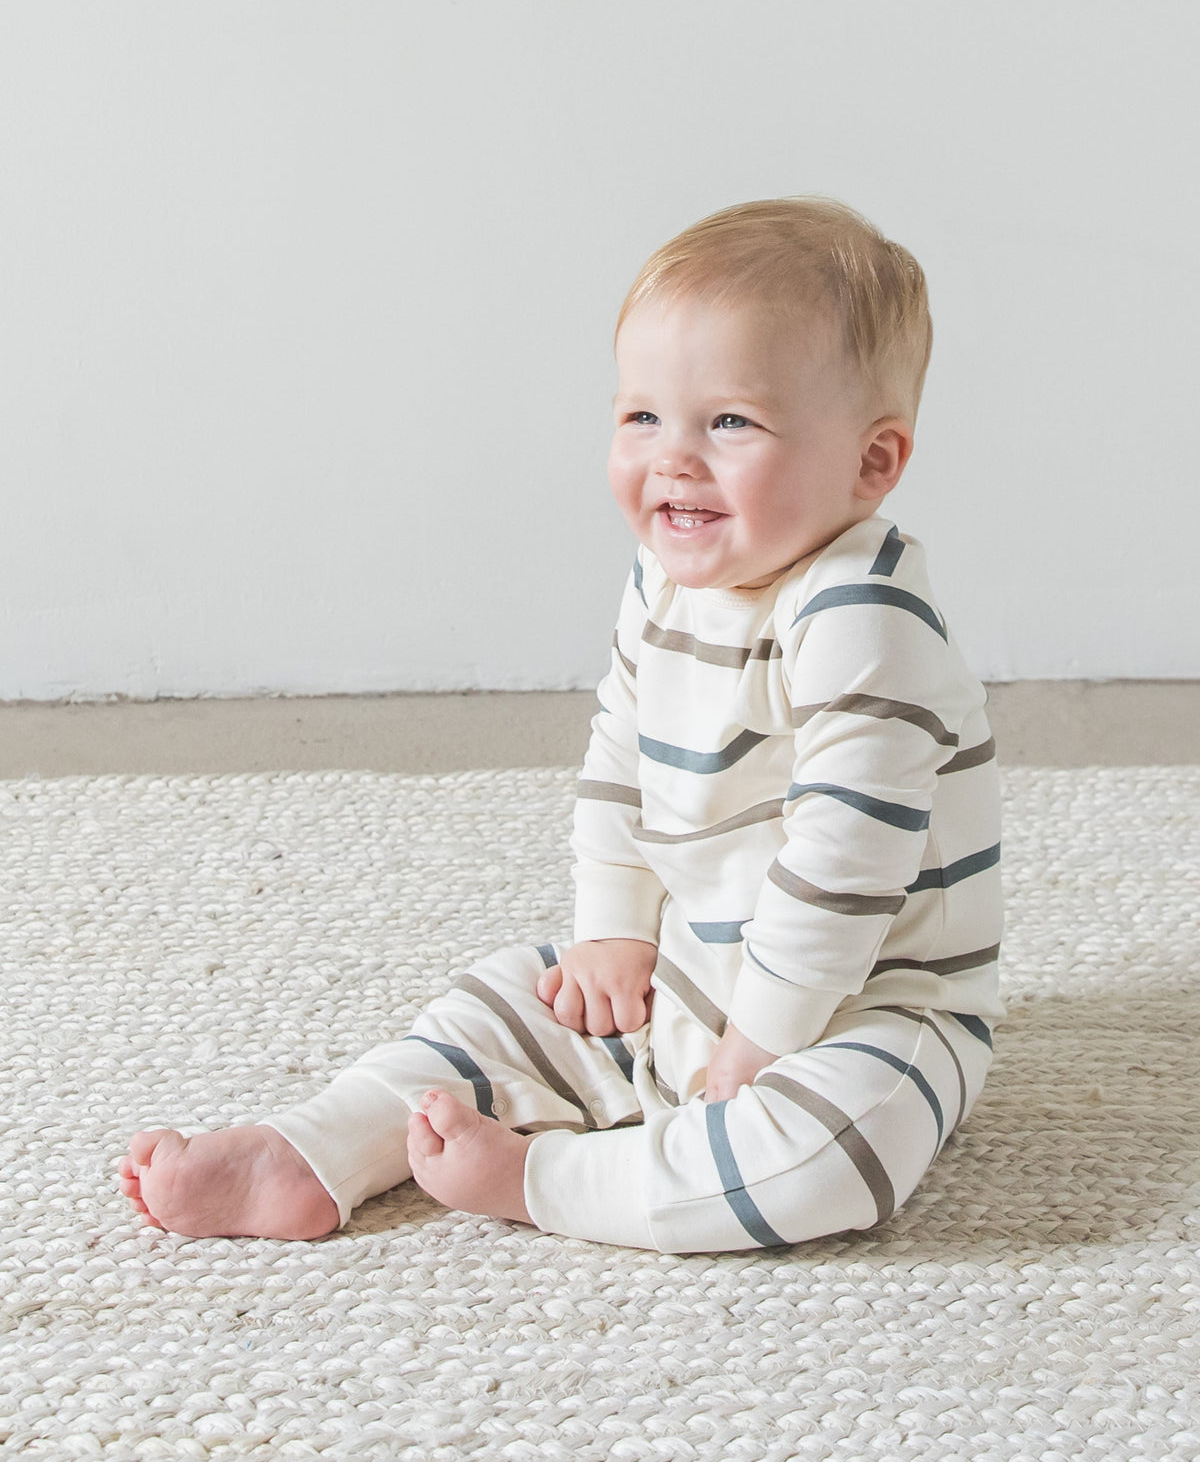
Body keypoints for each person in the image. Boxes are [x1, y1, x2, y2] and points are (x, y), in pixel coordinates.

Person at [119, 197, 1003, 1252]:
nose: (674, 459)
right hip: (687, 966)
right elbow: (620, 756)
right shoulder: (669, 578)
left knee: (838, 1151)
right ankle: (309, 1150)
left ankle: (549, 1177)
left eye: (731, 422)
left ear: (872, 463)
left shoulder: (865, 613)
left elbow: (846, 859)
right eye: (642, 417)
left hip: (861, 1005)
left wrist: (764, 1039)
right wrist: (615, 932)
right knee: (502, 1000)